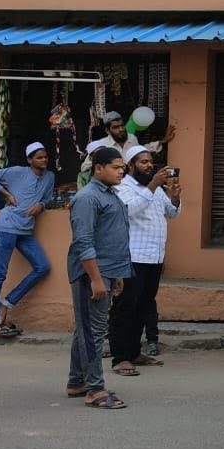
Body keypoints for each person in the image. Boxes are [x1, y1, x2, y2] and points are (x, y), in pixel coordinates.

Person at [65, 146, 133, 410]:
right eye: (116, 167)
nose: (121, 172)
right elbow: (83, 242)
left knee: (85, 328)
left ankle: (76, 381)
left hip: (107, 270)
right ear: (98, 168)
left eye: (122, 168)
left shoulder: (110, 195)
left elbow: (112, 236)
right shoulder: (87, 198)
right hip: (89, 273)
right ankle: (95, 390)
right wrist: (95, 278)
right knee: (93, 331)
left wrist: (115, 274)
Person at [109, 146, 180, 375]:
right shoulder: (123, 187)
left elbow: (171, 213)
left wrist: (175, 198)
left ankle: (133, 352)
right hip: (133, 257)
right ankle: (119, 357)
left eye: (151, 162)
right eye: (143, 162)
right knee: (125, 308)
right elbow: (129, 210)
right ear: (131, 166)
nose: (149, 166)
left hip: (155, 257)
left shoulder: (156, 188)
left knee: (143, 306)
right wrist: (152, 186)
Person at [0, 142, 56, 338]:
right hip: (6, 226)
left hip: (26, 231)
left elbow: (48, 198)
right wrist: (5, 193)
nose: (44, 160)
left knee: (43, 267)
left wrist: (41, 205)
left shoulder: (49, 177)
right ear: (30, 160)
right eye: (39, 157)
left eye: (45, 156)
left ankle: (7, 302)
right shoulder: (16, 172)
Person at [80, 110, 176, 176]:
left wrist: (163, 141)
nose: (121, 129)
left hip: (131, 183)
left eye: (122, 125)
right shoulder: (101, 145)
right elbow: (85, 168)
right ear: (107, 131)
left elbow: (141, 151)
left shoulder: (131, 138)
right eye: (116, 127)